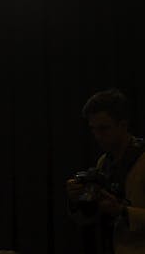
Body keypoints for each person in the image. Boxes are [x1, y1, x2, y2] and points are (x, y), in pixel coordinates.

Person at [66, 89, 145, 254]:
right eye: (93, 129)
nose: (97, 136)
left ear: (123, 125)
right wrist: (77, 201)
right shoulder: (104, 162)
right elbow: (90, 218)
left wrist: (122, 212)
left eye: (103, 129)